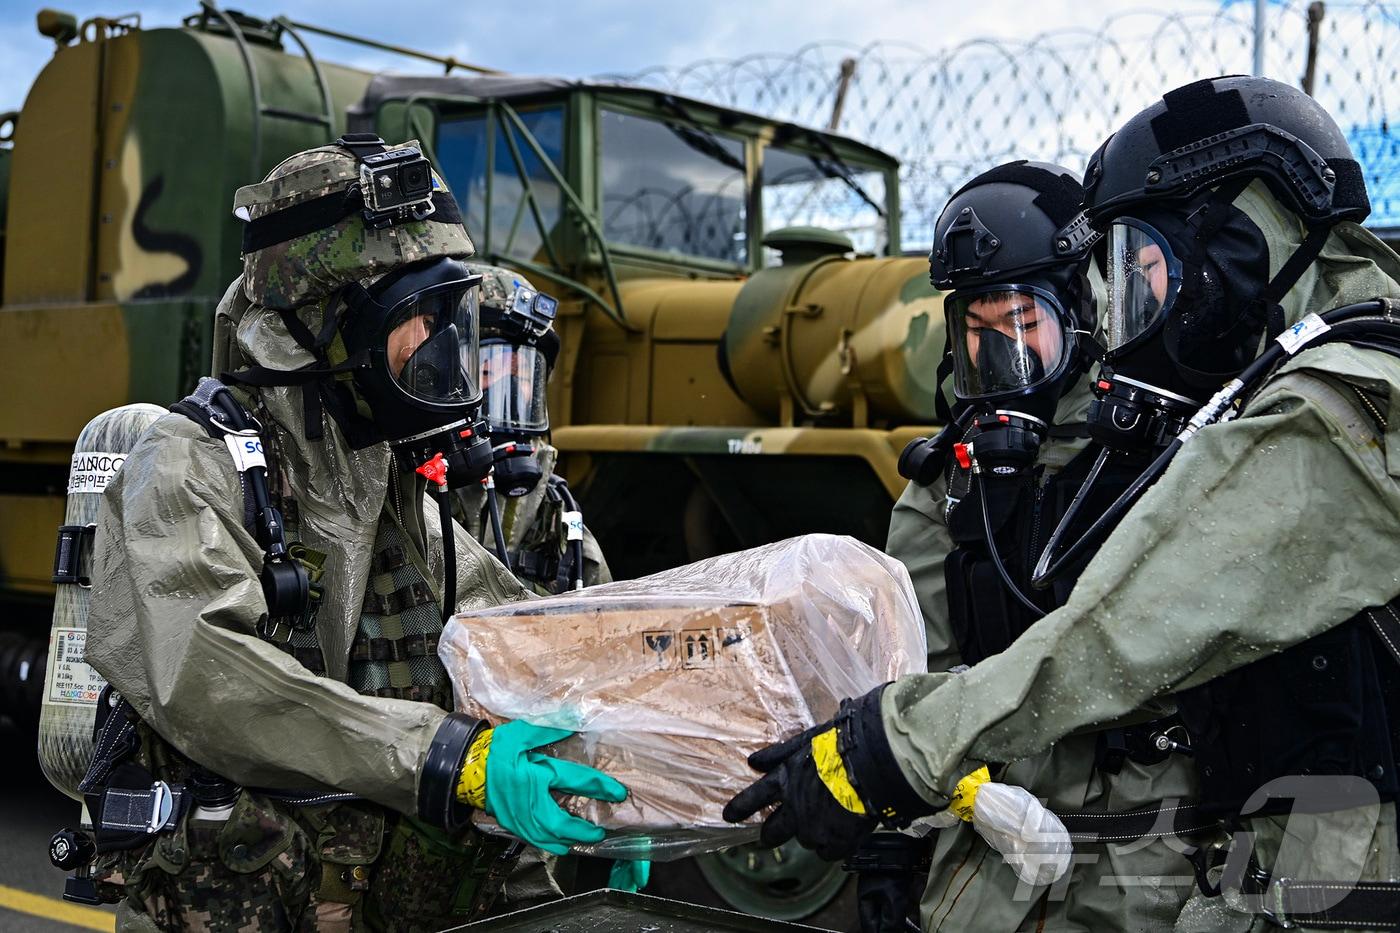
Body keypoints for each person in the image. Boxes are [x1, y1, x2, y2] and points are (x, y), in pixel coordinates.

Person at [727, 76, 1400, 932]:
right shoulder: (1301, 380)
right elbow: (908, 650)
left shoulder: (1343, 400)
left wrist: (899, 748)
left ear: (1239, 241)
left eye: (1150, 267)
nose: (1147, 310)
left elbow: (1137, 624)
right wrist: (894, 843)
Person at [82, 137, 629, 931]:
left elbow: (511, 635)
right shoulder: (185, 463)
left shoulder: (381, 472)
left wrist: (628, 780)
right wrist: (442, 756)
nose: (440, 345)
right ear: (326, 320)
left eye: (446, 315)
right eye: (417, 316)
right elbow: (213, 683)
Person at [878, 161, 1203, 932]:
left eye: (1023, 321)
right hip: (992, 858)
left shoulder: (1170, 455)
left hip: (1144, 852)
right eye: (979, 328)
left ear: (1084, 311)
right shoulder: (948, 487)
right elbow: (904, 673)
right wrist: (899, 838)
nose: (1002, 353)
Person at [451, 263, 611, 595]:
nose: (508, 390)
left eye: (522, 374)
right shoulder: (405, 490)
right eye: (488, 371)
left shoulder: (555, 511)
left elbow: (602, 612)